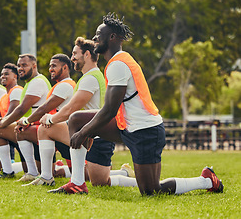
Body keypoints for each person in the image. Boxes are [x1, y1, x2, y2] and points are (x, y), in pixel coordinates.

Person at [62, 12, 223, 195]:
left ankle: (206, 180)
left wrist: (85, 132)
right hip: (126, 125)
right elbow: (110, 111)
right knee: (76, 119)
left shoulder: (118, 64)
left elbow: (109, 110)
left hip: (145, 131)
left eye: (98, 35)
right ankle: (77, 183)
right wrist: (86, 129)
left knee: (151, 191)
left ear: (112, 37)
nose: (94, 38)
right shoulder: (116, 62)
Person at [38, 37, 136, 191]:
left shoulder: (90, 78)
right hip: (88, 133)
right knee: (44, 129)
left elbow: (71, 109)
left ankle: (133, 178)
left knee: (100, 181)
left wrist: (50, 119)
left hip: (97, 136)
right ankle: (47, 177)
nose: (72, 58)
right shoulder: (91, 77)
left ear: (87, 55)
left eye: (75, 53)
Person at [15, 54, 76, 185]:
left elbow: (44, 109)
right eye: (50, 66)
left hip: (69, 134)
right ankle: (46, 175)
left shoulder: (65, 85)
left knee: (93, 177)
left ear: (65, 67)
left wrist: (26, 121)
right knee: (82, 173)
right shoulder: (61, 85)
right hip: (62, 132)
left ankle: (43, 175)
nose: (50, 69)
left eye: (54, 66)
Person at [0, 54, 51, 181]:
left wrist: (4, 122)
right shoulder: (31, 83)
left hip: (41, 129)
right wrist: (1, 120)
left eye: (24, 65)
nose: (20, 68)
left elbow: (21, 109)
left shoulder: (38, 82)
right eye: (19, 65)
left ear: (34, 66)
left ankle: (24, 172)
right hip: (31, 127)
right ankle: (20, 171)